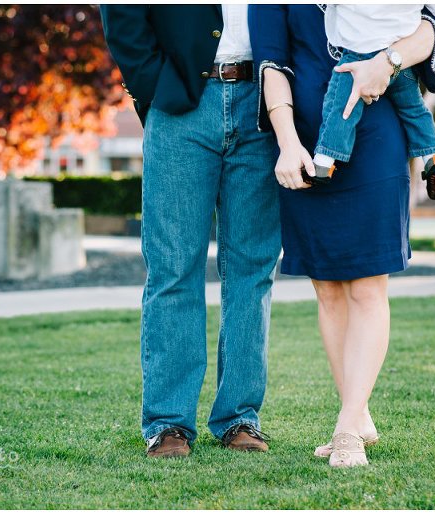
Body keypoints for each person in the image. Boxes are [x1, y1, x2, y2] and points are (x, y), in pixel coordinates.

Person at [249, 5, 435, 467]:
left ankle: (347, 431)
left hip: (378, 132)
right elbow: (271, 64)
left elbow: (434, 28)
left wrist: (389, 62)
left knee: (366, 284)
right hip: (306, 142)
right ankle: (356, 414)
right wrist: (286, 143)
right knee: (329, 289)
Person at [99, 5, 279, 458]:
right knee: (174, 269)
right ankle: (168, 423)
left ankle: (240, 416)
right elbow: (122, 15)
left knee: (252, 270)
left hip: (265, 106)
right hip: (182, 106)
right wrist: (155, 86)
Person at [310, 5, 435, 201]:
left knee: (341, 107)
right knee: (415, 111)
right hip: (401, 59)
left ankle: (324, 161)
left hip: (358, 56)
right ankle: (434, 158)